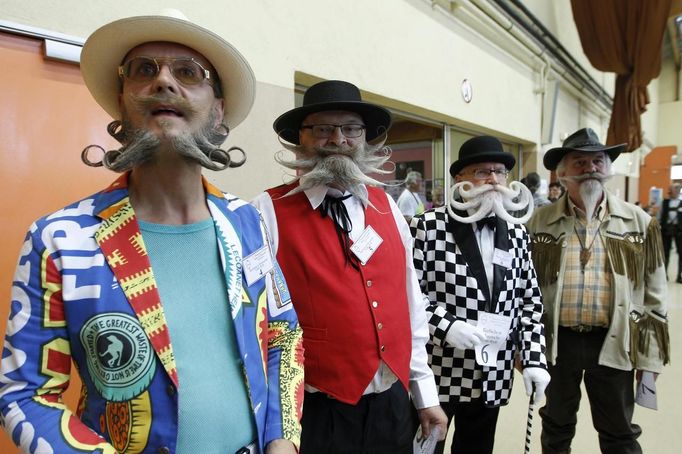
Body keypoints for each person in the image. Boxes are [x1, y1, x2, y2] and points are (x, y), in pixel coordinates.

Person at [0, 12, 303, 454]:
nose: (163, 82)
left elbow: (282, 333)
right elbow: (25, 395)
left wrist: (282, 439)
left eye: (188, 73)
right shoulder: (60, 239)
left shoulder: (245, 222)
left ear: (218, 108)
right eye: (144, 70)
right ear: (122, 102)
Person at [252, 80, 447, 454]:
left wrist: (425, 393)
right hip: (317, 412)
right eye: (322, 128)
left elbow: (411, 305)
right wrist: (277, 424)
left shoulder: (387, 205)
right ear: (300, 139)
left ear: (364, 138)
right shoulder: (266, 211)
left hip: (392, 405)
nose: (338, 139)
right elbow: (260, 329)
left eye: (350, 129)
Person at [526, 128, 670, 454]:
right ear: (562, 173)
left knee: (619, 431)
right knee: (556, 427)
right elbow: (525, 291)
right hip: (557, 343)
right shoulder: (538, 223)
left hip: (615, 341)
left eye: (597, 160)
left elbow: (655, 297)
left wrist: (651, 358)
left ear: (608, 169)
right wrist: (526, 347)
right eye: (580, 161)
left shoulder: (640, 223)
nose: (590, 167)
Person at [410, 135, 549, 454]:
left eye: (500, 172)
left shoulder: (516, 231)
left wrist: (533, 359)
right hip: (439, 371)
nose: (494, 180)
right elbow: (411, 297)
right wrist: (448, 327)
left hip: (493, 371)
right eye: (482, 171)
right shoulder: (428, 227)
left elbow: (529, 301)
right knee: (424, 449)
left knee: (477, 448)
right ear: (460, 179)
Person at [659, 183, 682, 283]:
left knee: (681, 253)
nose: (670, 192)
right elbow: (659, 216)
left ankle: (679, 276)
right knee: (665, 252)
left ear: (677, 191)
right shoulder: (664, 202)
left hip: (680, 230)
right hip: (666, 229)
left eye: (672, 190)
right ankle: (664, 274)